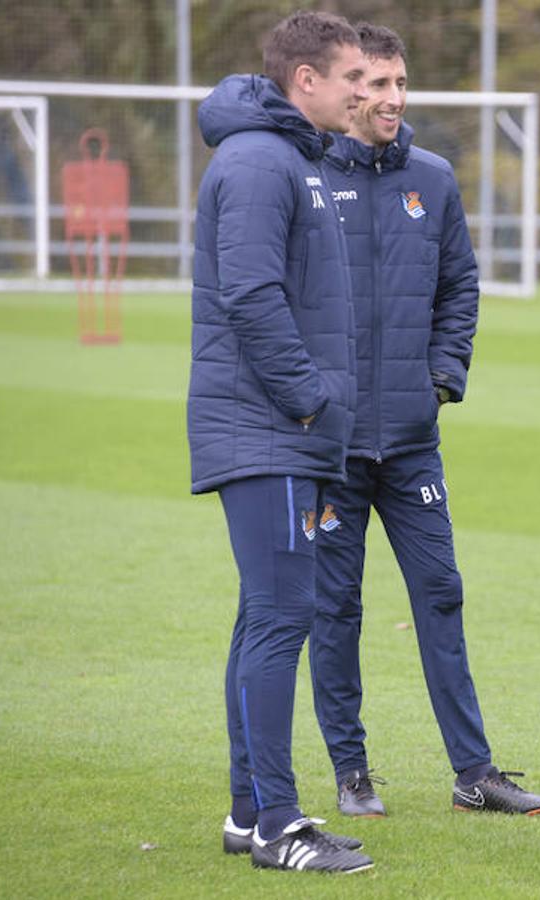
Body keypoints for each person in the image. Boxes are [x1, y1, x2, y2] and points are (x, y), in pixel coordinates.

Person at [311, 22, 540, 819]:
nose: (393, 99)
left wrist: (442, 379)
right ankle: (352, 772)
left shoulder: (433, 179)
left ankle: (474, 773)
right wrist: (314, 399)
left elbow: (460, 286)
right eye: (377, 85)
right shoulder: (306, 174)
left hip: (413, 440)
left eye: (400, 83)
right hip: (330, 446)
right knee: (335, 608)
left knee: (441, 593)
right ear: (346, 90)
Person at [189, 11, 373, 874]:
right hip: (266, 427)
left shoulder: (292, 157)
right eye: (352, 78)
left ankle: (247, 813)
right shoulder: (262, 161)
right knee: (280, 617)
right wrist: (308, 401)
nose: (363, 94)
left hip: (281, 430)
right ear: (306, 79)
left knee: (264, 614)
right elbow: (252, 295)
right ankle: (277, 826)